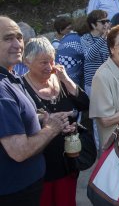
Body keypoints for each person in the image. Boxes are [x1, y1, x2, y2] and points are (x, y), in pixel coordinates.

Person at [0, 16, 68, 205]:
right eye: (7, 38)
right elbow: (19, 151)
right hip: (15, 193)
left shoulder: (10, 75)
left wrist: (40, 118)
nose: (17, 44)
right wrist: (52, 128)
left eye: (19, 37)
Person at [22, 37, 89, 206]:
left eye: (52, 61)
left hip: (68, 161)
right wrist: (46, 120)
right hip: (41, 165)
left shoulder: (59, 79)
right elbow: (20, 123)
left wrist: (66, 79)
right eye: (43, 62)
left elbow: (84, 103)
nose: (50, 67)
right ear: (27, 62)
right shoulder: (21, 87)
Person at [80, 10, 110, 95]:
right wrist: (103, 37)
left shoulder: (110, 37)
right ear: (93, 24)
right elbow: (89, 56)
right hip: (92, 83)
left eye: (107, 21)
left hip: (108, 80)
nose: (106, 24)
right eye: (103, 22)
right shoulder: (85, 38)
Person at [56, 16, 90, 87]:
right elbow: (92, 59)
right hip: (72, 83)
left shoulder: (67, 38)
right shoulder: (80, 41)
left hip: (60, 80)